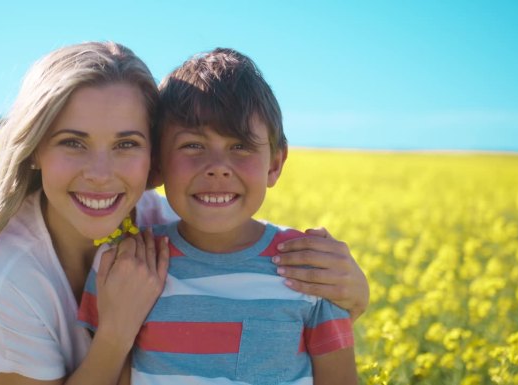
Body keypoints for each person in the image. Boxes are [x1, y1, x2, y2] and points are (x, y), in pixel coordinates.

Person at [0, 42, 367, 385]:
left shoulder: (155, 222)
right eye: (73, 142)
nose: (100, 173)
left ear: (153, 159)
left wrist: (352, 292)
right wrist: (118, 330)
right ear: (33, 149)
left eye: (125, 144)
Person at [79, 48, 357, 384]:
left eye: (240, 146)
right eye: (193, 145)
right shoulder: (125, 264)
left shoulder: (311, 267)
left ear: (275, 164)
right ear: (157, 162)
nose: (217, 169)